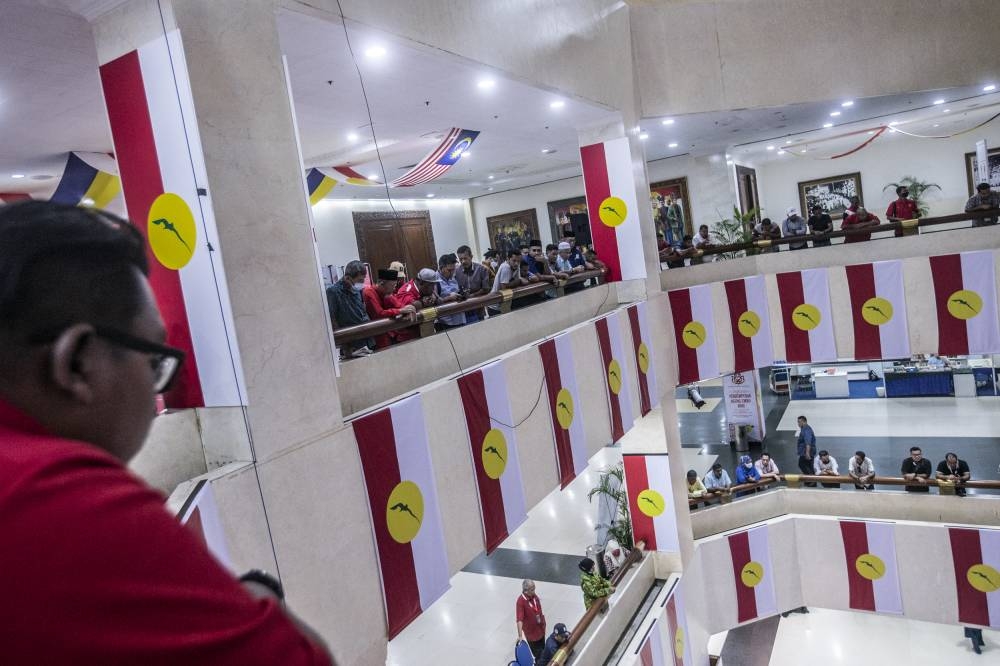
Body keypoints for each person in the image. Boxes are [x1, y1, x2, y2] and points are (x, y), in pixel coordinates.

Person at [0, 202, 332, 663]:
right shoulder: (61, 498)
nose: (163, 384)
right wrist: (259, 595)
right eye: (154, 359)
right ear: (77, 362)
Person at [327, 259, 374, 357]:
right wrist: (345, 347)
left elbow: (362, 311)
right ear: (347, 278)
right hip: (351, 345)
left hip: (367, 339)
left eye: (363, 280)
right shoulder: (333, 292)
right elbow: (333, 320)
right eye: (360, 280)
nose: (362, 284)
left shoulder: (358, 290)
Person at [361, 268, 416, 349]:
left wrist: (408, 308)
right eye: (393, 285)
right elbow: (379, 313)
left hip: (389, 333)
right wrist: (400, 311)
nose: (394, 288)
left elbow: (400, 306)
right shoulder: (369, 292)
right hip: (375, 336)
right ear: (382, 283)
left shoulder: (386, 293)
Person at [392, 267, 441, 343]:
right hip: (407, 337)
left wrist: (434, 298)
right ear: (421, 282)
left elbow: (439, 300)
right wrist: (423, 302)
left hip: (424, 331)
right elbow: (409, 306)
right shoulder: (406, 290)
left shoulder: (427, 290)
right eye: (431, 285)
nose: (433, 288)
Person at [455, 245, 491, 323]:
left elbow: (486, 289)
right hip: (463, 308)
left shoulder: (481, 269)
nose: (463, 261)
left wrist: (472, 295)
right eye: (460, 259)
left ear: (471, 256)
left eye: (465, 258)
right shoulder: (457, 271)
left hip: (478, 306)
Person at [434, 253, 467, 331]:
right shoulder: (434, 280)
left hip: (460, 318)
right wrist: (449, 298)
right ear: (441, 268)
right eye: (449, 270)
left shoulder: (453, 277)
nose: (452, 273)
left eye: (453, 270)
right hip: (444, 322)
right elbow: (433, 303)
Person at [515, 579, 546, 659]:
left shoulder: (534, 596)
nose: (534, 591)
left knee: (544, 651)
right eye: (532, 589)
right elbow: (519, 619)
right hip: (532, 635)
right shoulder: (521, 601)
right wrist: (520, 635)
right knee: (540, 656)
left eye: (534, 588)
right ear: (526, 590)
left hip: (541, 630)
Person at [796, 416, 817, 486]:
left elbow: (808, 442)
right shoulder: (804, 429)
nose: (798, 424)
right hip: (804, 451)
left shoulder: (806, 430)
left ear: (804, 421)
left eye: (799, 422)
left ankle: (811, 479)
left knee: (802, 464)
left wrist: (807, 453)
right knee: (808, 465)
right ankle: (810, 479)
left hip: (806, 452)